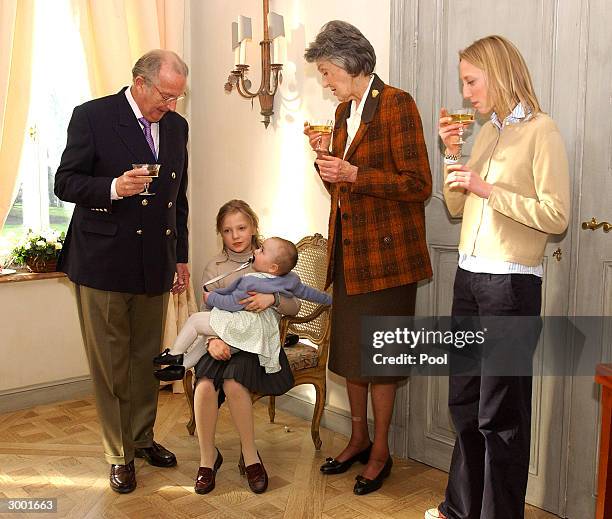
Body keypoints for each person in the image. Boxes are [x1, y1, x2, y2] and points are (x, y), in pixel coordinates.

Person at [424, 35, 570, 519]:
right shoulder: (485, 133)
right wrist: (451, 155)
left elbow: (556, 215)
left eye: (471, 81)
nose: (466, 93)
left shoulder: (542, 131)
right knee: (465, 402)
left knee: (500, 414)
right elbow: (456, 204)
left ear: (498, 72)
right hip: (469, 278)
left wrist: (491, 188)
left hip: (510, 286)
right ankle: (460, 509)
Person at [303, 21, 433, 496]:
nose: (325, 81)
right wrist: (325, 163)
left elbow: (419, 185)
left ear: (350, 63)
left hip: (389, 260)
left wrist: (356, 172)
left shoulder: (397, 104)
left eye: (326, 71)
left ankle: (381, 450)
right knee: (354, 355)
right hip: (348, 256)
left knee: (382, 359)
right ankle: (357, 437)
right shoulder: (341, 113)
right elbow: (342, 189)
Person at [54, 49, 190, 494]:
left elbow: (179, 198)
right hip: (102, 262)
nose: (170, 107)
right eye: (166, 96)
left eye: (176, 98)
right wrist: (112, 187)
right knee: (111, 365)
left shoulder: (176, 127)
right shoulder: (92, 116)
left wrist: (181, 257)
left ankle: (142, 436)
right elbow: (65, 182)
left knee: (145, 360)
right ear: (140, 82)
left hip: (155, 261)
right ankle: (119, 453)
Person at [191, 200, 299, 495]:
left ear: (253, 228)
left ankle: (250, 458)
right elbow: (204, 312)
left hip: (256, 346)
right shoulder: (213, 267)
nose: (236, 235)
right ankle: (207, 459)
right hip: (221, 340)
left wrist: (272, 300)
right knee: (203, 386)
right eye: (227, 230)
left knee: (234, 383)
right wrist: (211, 341)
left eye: (241, 228)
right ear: (220, 234)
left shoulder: (269, 259)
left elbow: (295, 304)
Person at [153, 236, 331, 380]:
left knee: (195, 321)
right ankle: (181, 368)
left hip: (244, 329)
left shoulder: (253, 282)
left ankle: (175, 354)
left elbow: (233, 303)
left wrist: (212, 297)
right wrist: (329, 300)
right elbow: (308, 293)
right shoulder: (290, 279)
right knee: (204, 339)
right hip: (256, 336)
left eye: (261, 251)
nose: (256, 251)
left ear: (273, 267)